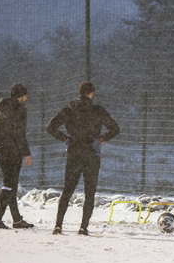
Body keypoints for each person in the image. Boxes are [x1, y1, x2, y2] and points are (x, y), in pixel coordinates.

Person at [46, 81, 120, 236]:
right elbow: (115, 128)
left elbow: (51, 127)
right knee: (89, 192)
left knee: (67, 190)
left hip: (74, 152)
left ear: (79, 93)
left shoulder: (69, 108)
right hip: (91, 154)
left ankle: (58, 225)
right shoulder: (98, 110)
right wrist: (100, 139)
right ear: (92, 94)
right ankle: (83, 227)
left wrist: (65, 138)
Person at [0, 83, 34, 229]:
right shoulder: (20, 109)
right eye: (25, 95)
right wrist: (27, 153)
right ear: (20, 96)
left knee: (10, 184)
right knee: (9, 185)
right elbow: (19, 133)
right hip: (13, 151)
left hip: (0, 151)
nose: (27, 98)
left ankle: (17, 220)